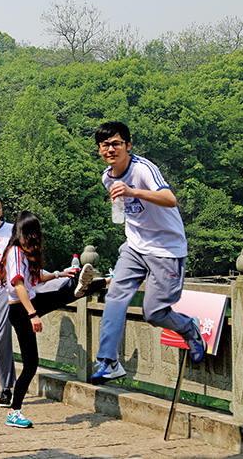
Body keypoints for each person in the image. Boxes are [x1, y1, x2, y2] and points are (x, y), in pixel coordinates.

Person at [91, 121, 206, 385]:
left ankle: (189, 328)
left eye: (116, 143)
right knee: (115, 297)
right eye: (105, 145)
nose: (111, 149)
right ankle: (108, 362)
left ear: (128, 145)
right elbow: (122, 212)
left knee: (154, 312)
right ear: (99, 149)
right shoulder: (107, 177)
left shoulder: (143, 169)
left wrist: (132, 191)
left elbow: (170, 199)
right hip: (134, 246)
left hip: (166, 249)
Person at [0, 193, 94, 409]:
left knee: (55, 287)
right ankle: (6, 387)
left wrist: (59, 274)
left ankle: (79, 282)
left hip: (20, 287)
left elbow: (30, 264)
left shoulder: (12, 230)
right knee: (0, 341)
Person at [0, 211, 97, 428]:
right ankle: (14, 412)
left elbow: (36, 277)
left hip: (29, 303)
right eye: (32, 233)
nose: (35, 237)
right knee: (31, 365)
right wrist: (32, 314)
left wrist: (60, 274)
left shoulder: (22, 252)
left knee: (67, 289)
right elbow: (18, 283)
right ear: (23, 232)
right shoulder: (15, 252)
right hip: (21, 309)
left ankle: (101, 282)